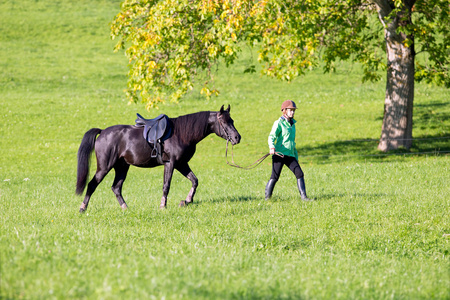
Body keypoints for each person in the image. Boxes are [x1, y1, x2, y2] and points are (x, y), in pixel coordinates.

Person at [265, 100, 313, 201]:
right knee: (275, 176)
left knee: (300, 174)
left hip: (290, 155)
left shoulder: (292, 125)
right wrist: (272, 147)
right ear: (284, 110)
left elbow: (292, 143)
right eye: (290, 110)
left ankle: (304, 197)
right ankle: (267, 199)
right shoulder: (279, 123)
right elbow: (271, 136)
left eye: (293, 110)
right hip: (279, 154)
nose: (293, 112)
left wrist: (296, 156)